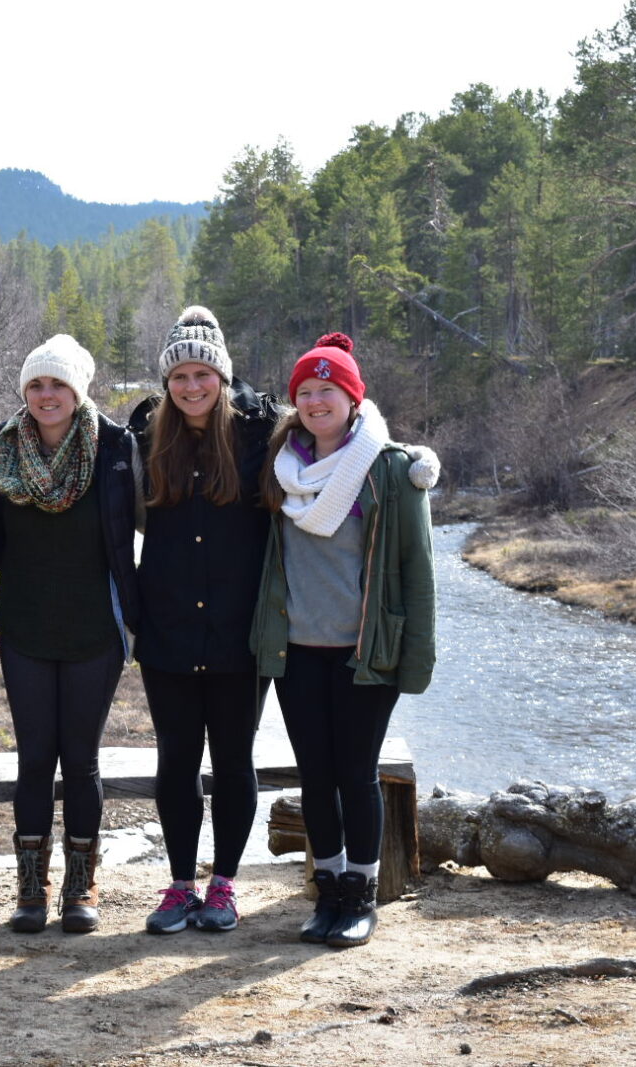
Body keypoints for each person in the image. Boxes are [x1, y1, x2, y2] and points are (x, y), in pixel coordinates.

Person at [254, 331, 437, 948]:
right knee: (315, 774)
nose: (314, 401)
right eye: (304, 392)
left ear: (352, 399)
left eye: (327, 390)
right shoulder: (282, 468)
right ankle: (327, 891)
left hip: (365, 654)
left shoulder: (388, 469)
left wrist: (415, 659)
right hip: (297, 649)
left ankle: (361, 895)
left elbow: (417, 570)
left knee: (356, 774)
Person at [129, 307, 281, 936]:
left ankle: (224, 885)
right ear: (166, 383)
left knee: (234, 760)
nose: (191, 386)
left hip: (238, 630)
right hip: (166, 627)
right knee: (176, 760)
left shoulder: (258, 434)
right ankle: (179, 884)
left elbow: (343, 424)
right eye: (179, 376)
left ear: (221, 375)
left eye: (203, 374)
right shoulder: (142, 437)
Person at [0, 335, 137, 934]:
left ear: (79, 391)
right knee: (34, 759)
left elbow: (133, 525)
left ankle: (80, 884)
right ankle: (30, 887)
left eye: (59, 385)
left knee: (82, 761)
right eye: (37, 385)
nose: (48, 395)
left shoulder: (115, 448)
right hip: (24, 626)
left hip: (94, 628)